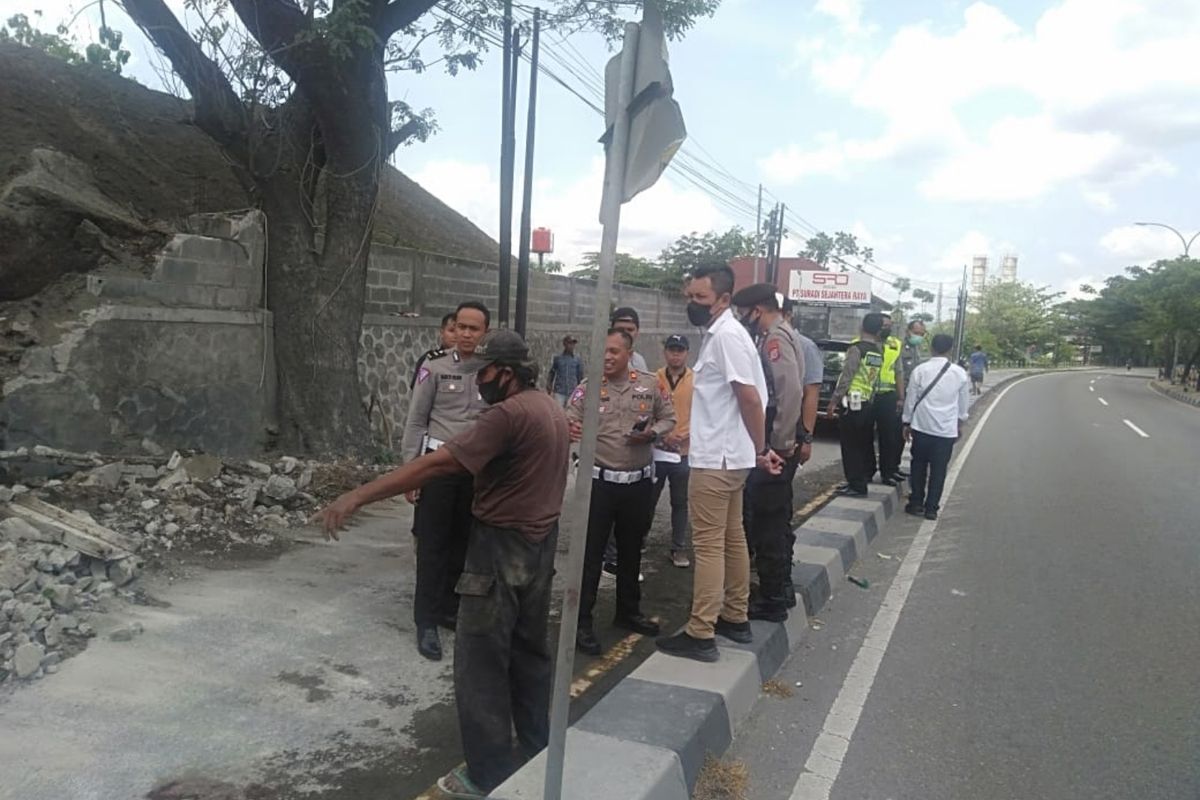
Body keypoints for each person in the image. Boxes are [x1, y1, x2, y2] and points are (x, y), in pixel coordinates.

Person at [317, 329, 570, 799]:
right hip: (539, 546)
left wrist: (357, 496)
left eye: (485, 373)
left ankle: (488, 773)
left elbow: (437, 465)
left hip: (499, 549)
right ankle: (539, 749)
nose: (479, 382)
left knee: (480, 664)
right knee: (529, 655)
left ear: (505, 373)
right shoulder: (547, 406)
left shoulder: (507, 414)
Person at [656, 262, 782, 663]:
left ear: (724, 300)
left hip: (718, 460)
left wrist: (761, 447)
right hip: (728, 454)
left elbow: (748, 398)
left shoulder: (726, 337)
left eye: (701, 298)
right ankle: (735, 615)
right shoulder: (728, 334)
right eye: (690, 296)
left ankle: (701, 631)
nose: (692, 303)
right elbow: (728, 404)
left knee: (708, 545)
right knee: (731, 538)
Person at [567, 330, 675, 656]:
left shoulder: (650, 384)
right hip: (599, 484)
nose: (608, 356)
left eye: (614, 351)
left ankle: (628, 611)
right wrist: (571, 428)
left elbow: (669, 418)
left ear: (629, 353)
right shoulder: (587, 387)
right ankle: (581, 622)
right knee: (591, 555)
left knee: (631, 552)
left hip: (638, 483)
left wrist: (652, 434)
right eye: (603, 350)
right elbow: (568, 418)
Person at [400, 301, 490, 661]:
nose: (467, 334)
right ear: (454, 328)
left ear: (485, 331)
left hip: (475, 471)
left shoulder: (492, 370)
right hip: (438, 467)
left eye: (474, 329)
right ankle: (426, 622)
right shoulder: (433, 367)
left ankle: (450, 609)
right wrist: (411, 471)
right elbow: (416, 422)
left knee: (464, 543)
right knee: (432, 545)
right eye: (462, 327)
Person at [732, 283, 805, 623]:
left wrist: (778, 442)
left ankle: (773, 597)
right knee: (777, 516)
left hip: (778, 437)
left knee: (768, 520)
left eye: (744, 313)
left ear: (756, 311)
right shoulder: (784, 332)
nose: (743, 319)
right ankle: (782, 588)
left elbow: (789, 392)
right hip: (783, 434)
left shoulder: (774, 338)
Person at [902, 334, 969, 521]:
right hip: (946, 430)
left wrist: (907, 422)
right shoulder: (960, 373)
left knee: (918, 465)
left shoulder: (920, 370)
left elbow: (910, 399)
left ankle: (916, 503)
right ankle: (932, 508)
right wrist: (959, 423)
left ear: (931, 347)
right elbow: (963, 405)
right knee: (939, 469)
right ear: (950, 350)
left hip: (922, 426)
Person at [827, 313, 887, 497]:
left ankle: (856, 485)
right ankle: (857, 481)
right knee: (860, 444)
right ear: (879, 330)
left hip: (852, 402)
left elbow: (847, 377)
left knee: (850, 446)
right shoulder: (878, 351)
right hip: (867, 402)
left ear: (862, 326)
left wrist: (833, 401)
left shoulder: (856, 349)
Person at [655, 334, 694, 569]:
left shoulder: (696, 380)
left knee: (680, 502)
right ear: (665, 352)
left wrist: (686, 434)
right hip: (658, 450)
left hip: (684, 451)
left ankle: (678, 548)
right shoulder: (654, 378)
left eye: (680, 350)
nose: (675, 354)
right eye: (672, 349)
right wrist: (663, 434)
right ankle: (638, 544)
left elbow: (703, 413)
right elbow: (647, 410)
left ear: (687, 353)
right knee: (648, 501)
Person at [872, 313, 906, 485]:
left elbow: (898, 371)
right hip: (867, 396)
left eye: (890, 326)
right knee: (864, 436)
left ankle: (888, 472)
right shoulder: (863, 342)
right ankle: (867, 471)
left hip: (888, 396)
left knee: (890, 436)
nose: (888, 328)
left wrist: (901, 397)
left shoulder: (895, 345)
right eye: (885, 325)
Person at [411, 312, 458, 389]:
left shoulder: (473, 362)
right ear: (442, 333)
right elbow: (418, 391)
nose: (456, 335)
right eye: (451, 330)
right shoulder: (429, 360)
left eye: (459, 331)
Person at [547, 335, 584, 407]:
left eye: (573, 344)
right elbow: (552, 372)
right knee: (559, 411)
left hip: (572, 391)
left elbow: (580, 376)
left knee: (571, 412)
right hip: (559, 391)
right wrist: (549, 384)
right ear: (565, 344)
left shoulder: (577, 360)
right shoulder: (558, 358)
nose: (572, 346)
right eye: (569, 343)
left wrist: (580, 391)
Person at [610, 306, 649, 372]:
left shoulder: (639, 361)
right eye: (620, 329)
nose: (625, 334)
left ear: (637, 332)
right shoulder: (602, 360)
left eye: (630, 330)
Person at [901, 319, 927, 385]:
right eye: (916, 333)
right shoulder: (900, 347)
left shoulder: (918, 348)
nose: (919, 336)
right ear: (907, 332)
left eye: (922, 334)